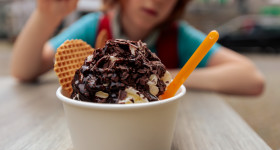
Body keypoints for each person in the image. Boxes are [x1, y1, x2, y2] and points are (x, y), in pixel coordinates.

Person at [10, 0, 265, 95]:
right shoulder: (95, 28)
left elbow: (251, 79)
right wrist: (45, 17)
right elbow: (24, 70)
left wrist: (161, 79)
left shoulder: (177, 36)